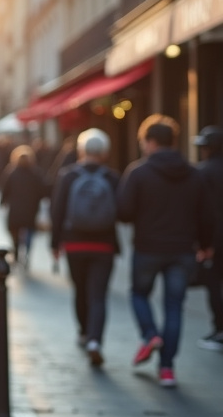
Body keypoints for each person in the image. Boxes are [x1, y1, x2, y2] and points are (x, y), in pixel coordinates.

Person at [117, 114, 214, 387]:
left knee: (139, 294)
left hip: (148, 248)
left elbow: (123, 211)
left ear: (150, 142)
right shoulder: (194, 174)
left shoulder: (138, 172)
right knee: (174, 307)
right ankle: (167, 368)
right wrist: (205, 246)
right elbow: (207, 216)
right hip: (183, 250)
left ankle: (150, 334)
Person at [50, 128, 120, 367]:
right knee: (98, 295)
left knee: (80, 289)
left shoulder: (68, 176)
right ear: (105, 152)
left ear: (81, 150)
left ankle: (83, 330)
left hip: (74, 243)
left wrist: (55, 243)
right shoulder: (111, 177)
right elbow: (121, 210)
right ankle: (95, 341)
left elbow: (57, 211)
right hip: (104, 245)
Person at [193, 125, 223, 350]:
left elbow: (201, 211)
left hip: (215, 238)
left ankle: (220, 329)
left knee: (214, 284)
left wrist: (204, 244)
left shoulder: (202, 172)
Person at [0, 144, 47, 267]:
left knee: (14, 231)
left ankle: (16, 253)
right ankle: (27, 253)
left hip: (15, 208)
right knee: (29, 231)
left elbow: (5, 189)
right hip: (30, 208)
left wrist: (3, 202)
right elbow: (43, 190)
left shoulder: (12, 172)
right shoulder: (36, 173)